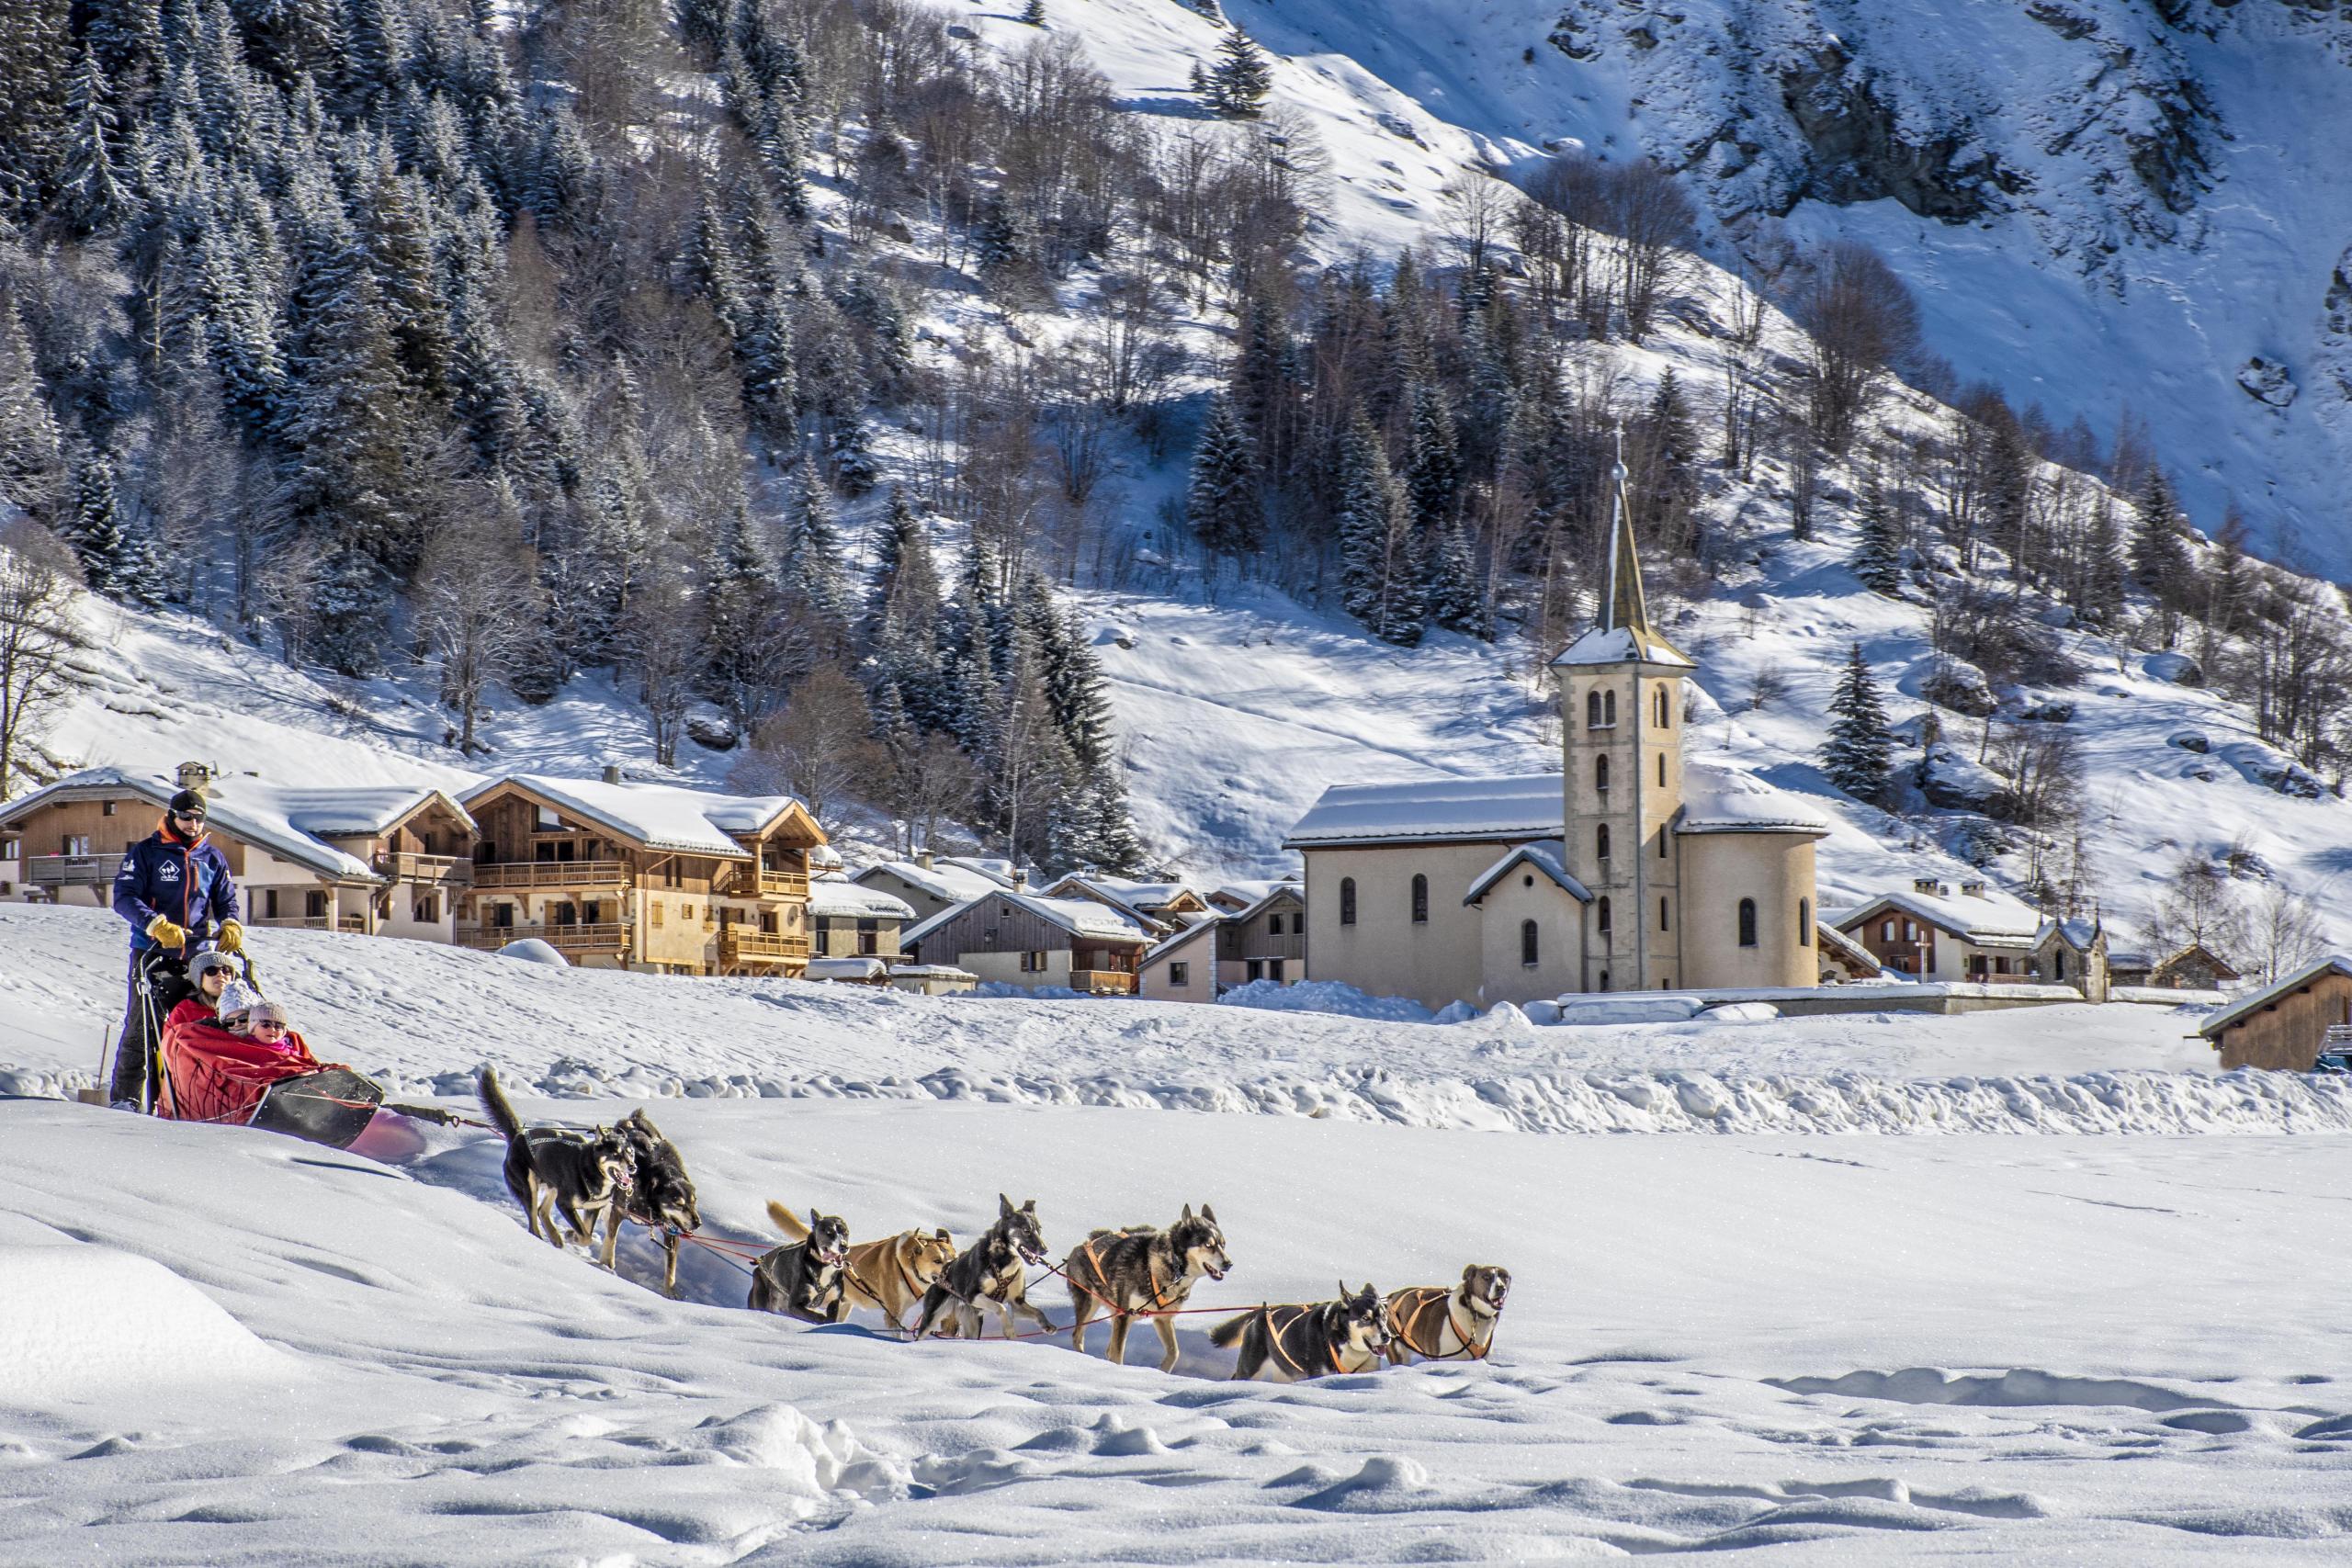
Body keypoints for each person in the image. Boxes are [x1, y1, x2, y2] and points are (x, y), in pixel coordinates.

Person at [109, 788, 242, 1108]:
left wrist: (230, 923)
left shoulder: (211, 857)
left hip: (196, 956)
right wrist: (155, 924)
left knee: (199, 1025)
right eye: (186, 817)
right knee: (142, 1026)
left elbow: (225, 900)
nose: (192, 823)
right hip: (152, 953)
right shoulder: (146, 852)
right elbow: (124, 897)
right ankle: (126, 1098)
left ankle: (192, 1098)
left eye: (199, 818)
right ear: (172, 816)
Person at [159, 996, 323, 1128]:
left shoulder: (289, 1042)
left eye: (243, 1019)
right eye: (230, 1022)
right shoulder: (221, 1045)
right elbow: (235, 1068)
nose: (237, 1025)